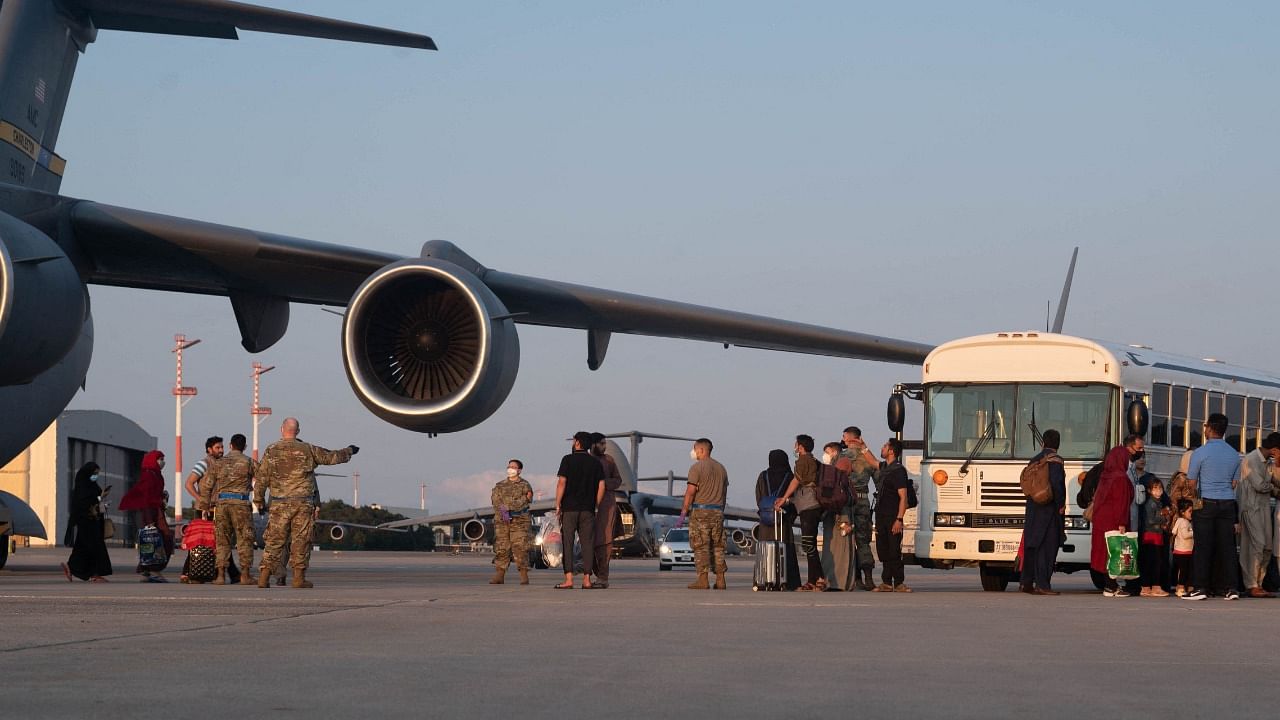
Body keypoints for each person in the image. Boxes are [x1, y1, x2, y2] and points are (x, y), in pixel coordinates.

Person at [253, 417, 357, 588]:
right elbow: (332, 457)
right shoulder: (307, 449)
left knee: (273, 541)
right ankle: (298, 578)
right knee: (301, 540)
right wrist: (349, 451)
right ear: (298, 432)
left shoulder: (271, 450)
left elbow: (261, 478)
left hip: (279, 503)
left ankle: (264, 577)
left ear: (281, 430)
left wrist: (259, 500)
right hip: (302, 503)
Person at [1185, 413, 1241, 601]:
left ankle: (1201, 587)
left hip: (1206, 502)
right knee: (1228, 548)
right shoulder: (1234, 454)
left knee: (1203, 547)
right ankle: (1231, 588)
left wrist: (1197, 495)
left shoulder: (1199, 453)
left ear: (1209, 428)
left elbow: (1191, 482)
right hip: (1228, 504)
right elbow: (1234, 483)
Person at [199, 433, 257, 586]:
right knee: (244, 539)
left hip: (222, 505)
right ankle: (245, 575)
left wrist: (204, 506)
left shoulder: (218, 463)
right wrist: (260, 500)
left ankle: (220, 576)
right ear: (244, 447)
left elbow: (207, 485)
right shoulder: (249, 462)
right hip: (241, 505)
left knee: (222, 541)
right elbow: (263, 480)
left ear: (231, 445)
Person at [1090, 435, 1143, 597]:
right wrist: (1122, 523)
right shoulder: (1120, 478)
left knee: (1105, 554)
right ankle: (1111, 587)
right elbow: (1121, 503)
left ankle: (1110, 586)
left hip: (1101, 521)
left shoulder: (1106, 476)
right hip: (1113, 521)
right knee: (1114, 553)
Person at [554, 431, 605, 589]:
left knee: (568, 543)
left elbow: (562, 482)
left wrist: (558, 504)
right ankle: (587, 580)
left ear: (577, 443)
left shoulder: (567, 460)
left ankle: (568, 579)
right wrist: (595, 504)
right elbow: (602, 485)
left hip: (569, 509)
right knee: (587, 544)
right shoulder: (595, 463)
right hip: (587, 509)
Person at [775, 434, 826, 591]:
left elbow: (796, 481)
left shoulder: (803, 461)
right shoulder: (814, 460)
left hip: (809, 505)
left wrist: (784, 498)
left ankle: (817, 579)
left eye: (796, 444)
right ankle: (817, 579)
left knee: (808, 544)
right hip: (813, 504)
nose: (795, 447)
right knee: (809, 544)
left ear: (801, 447)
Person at [679, 438, 729, 590]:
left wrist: (683, 512)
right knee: (718, 546)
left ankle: (703, 579)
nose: (693, 452)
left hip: (701, 511)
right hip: (718, 511)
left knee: (701, 545)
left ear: (701, 450)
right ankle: (720, 580)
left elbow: (690, 492)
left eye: (694, 449)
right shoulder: (722, 468)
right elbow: (724, 493)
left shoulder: (696, 468)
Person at [1020, 429, 1066, 596]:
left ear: (1043, 443)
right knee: (1047, 548)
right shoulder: (1056, 461)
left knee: (1031, 545)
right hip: (1049, 510)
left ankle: (1026, 582)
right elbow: (1056, 483)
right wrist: (1061, 504)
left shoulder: (1035, 459)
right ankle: (1043, 585)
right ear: (1058, 444)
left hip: (1033, 508)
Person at [118, 449, 172, 582]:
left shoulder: (156, 474)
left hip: (156, 510)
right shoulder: (149, 476)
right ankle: (154, 570)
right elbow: (146, 498)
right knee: (162, 540)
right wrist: (149, 521)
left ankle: (146, 571)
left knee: (153, 541)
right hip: (151, 513)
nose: (162, 462)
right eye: (160, 459)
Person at [1236, 431, 1279, 598]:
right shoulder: (1251, 459)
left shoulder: (1269, 462)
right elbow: (1260, 485)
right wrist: (1275, 491)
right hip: (1250, 507)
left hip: (1263, 507)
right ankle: (1251, 584)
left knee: (1267, 546)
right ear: (1275, 449)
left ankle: (1259, 584)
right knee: (1256, 545)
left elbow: (1276, 480)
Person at [754, 449, 800, 590]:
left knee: (765, 550)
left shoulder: (763, 476)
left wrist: (766, 511)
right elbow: (796, 499)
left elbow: (759, 497)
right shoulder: (790, 477)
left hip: (766, 521)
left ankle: (762, 580)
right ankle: (787, 581)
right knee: (785, 550)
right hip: (783, 520)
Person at [840, 427, 879, 590]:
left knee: (846, 541)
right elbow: (879, 480)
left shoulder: (841, 458)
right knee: (863, 541)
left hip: (846, 503)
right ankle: (868, 578)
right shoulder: (868, 458)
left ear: (848, 438)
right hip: (863, 501)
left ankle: (853, 578)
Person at [61, 462, 113, 583]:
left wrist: (101, 498)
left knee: (82, 548)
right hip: (87, 522)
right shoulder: (83, 487)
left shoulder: (92, 486)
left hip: (93, 522)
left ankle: (71, 567)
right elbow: (84, 503)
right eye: (94, 473)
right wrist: (98, 498)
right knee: (93, 548)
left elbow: (95, 500)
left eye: (97, 473)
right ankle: (94, 574)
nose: (96, 476)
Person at [871, 438, 911, 592]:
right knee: (883, 550)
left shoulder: (898, 471)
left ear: (891, 451)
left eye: (885, 446)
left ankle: (899, 583)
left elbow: (903, 497)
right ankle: (886, 583)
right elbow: (873, 462)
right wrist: (862, 446)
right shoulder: (885, 467)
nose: (882, 448)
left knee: (894, 550)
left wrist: (899, 519)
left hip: (893, 516)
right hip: (881, 516)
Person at [489, 459, 534, 585]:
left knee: (520, 547)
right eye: (509, 466)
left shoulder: (525, 485)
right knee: (502, 547)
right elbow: (496, 501)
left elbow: (525, 501)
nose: (510, 469)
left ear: (519, 470)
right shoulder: (500, 485)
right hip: (502, 521)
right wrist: (504, 512)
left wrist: (508, 507)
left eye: (513, 467)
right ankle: (500, 575)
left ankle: (524, 575)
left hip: (520, 521)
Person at [819, 441, 855, 591]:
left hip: (840, 517)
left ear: (834, 452)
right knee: (834, 551)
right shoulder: (832, 470)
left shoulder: (840, 467)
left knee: (839, 551)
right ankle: (836, 581)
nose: (825, 456)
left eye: (827, 452)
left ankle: (837, 582)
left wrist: (844, 521)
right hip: (834, 516)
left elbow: (841, 498)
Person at [590, 432, 623, 588]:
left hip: (606, 505)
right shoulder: (586, 461)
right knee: (588, 541)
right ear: (593, 444)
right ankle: (590, 573)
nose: (604, 447)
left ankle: (603, 576)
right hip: (587, 505)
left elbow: (618, 480)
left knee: (605, 540)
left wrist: (602, 483)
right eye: (601, 444)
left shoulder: (609, 460)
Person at [1138, 476, 1171, 597]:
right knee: (1155, 561)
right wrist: (1163, 516)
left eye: (1160, 488)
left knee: (1151, 561)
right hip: (1152, 535)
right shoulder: (1151, 503)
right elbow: (1151, 520)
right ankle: (1155, 587)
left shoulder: (1157, 502)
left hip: (1154, 534)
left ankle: (1146, 587)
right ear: (1149, 490)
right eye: (1155, 488)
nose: (1158, 491)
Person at [186, 435, 224, 515]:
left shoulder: (224, 465)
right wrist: (201, 500)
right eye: (217, 448)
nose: (221, 450)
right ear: (209, 449)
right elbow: (188, 484)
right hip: (204, 511)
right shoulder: (203, 463)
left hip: (220, 510)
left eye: (222, 447)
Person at [1171, 499, 1195, 597]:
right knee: (1184, 571)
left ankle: (1185, 586)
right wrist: (1195, 532)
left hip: (1181, 550)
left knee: (1184, 570)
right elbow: (1185, 535)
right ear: (1182, 512)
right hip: (1183, 551)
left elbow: (1173, 531)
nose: (1191, 514)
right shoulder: (1184, 522)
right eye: (1190, 511)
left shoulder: (1179, 521)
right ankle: (1181, 587)